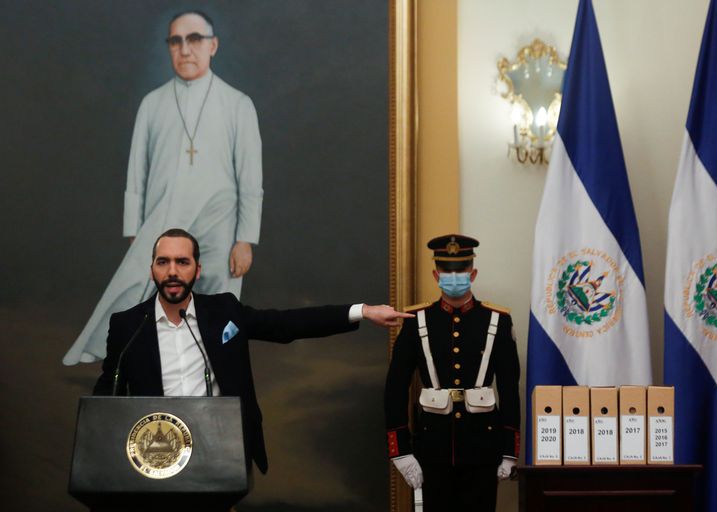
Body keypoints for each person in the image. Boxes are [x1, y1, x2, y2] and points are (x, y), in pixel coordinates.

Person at [93, 228, 411, 475]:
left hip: (220, 453)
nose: (172, 271)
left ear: (197, 270)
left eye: (182, 262)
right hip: (155, 459)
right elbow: (107, 395)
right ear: (152, 270)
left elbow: (287, 324)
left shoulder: (224, 311)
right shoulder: (128, 325)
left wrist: (362, 311)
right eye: (163, 262)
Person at [64, 10, 262, 365]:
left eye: (195, 39)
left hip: (221, 223)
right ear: (169, 48)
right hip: (163, 219)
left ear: (213, 45)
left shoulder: (238, 104)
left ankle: (213, 378)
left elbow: (250, 177)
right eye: (176, 41)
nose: (186, 49)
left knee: (216, 306)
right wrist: (133, 229)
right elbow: (136, 172)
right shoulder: (152, 104)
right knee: (146, 303)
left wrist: (245, 238)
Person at [384, 234, 521, 512]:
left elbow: (509, 388)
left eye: (461, 270)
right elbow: (395, 388)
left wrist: (509, 451)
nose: (454, 276)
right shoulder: (416, 323)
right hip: (432, 449)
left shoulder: (497, 321)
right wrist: (400, 452)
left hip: (483, 449)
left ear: (473, 273)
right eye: (447, 270)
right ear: (436, 275)